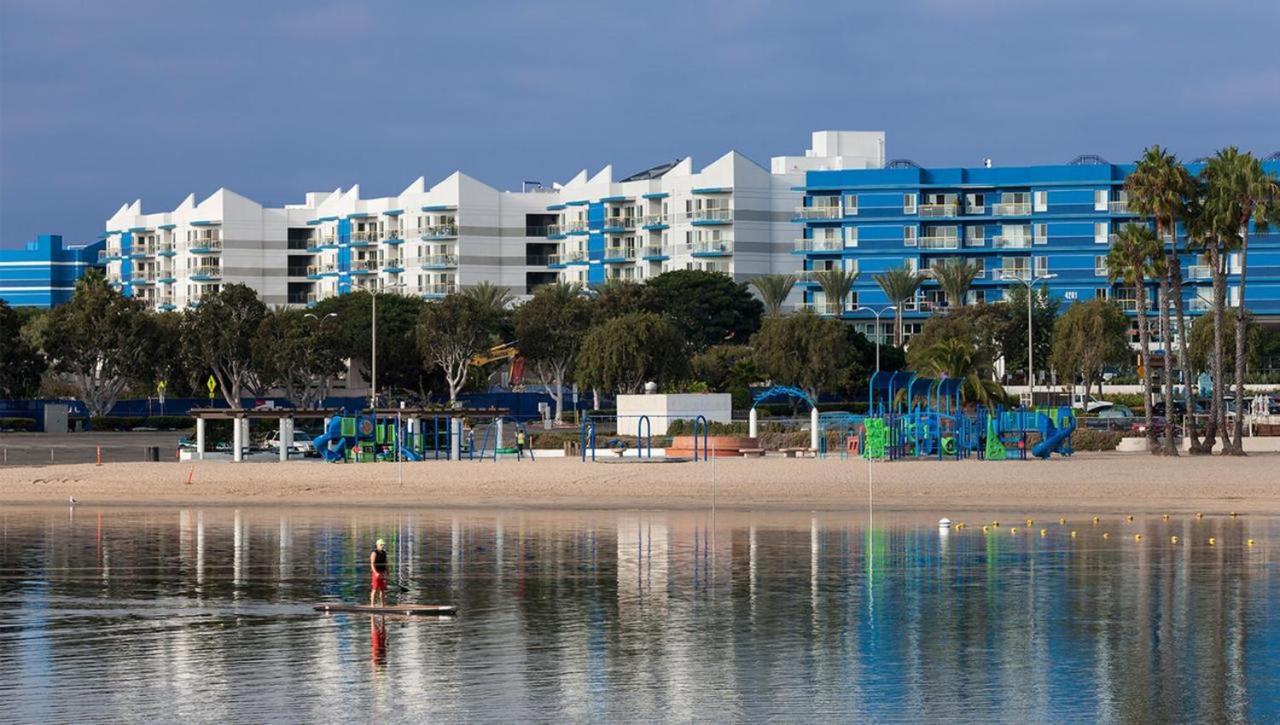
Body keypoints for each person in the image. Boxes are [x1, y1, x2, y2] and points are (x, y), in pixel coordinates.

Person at [369, 538, 388, 606]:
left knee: (382, 590)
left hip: (382, 572)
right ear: (377, 545)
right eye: (381, 545)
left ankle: (383, 605)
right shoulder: (374, 553)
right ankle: (372, 605)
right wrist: (376, 573)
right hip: (376, 573)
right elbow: (372, 564)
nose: (382, 546)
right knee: (375, 589)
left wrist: (387, 572)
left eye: (383, 545)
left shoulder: (384, 553)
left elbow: (385, 563)